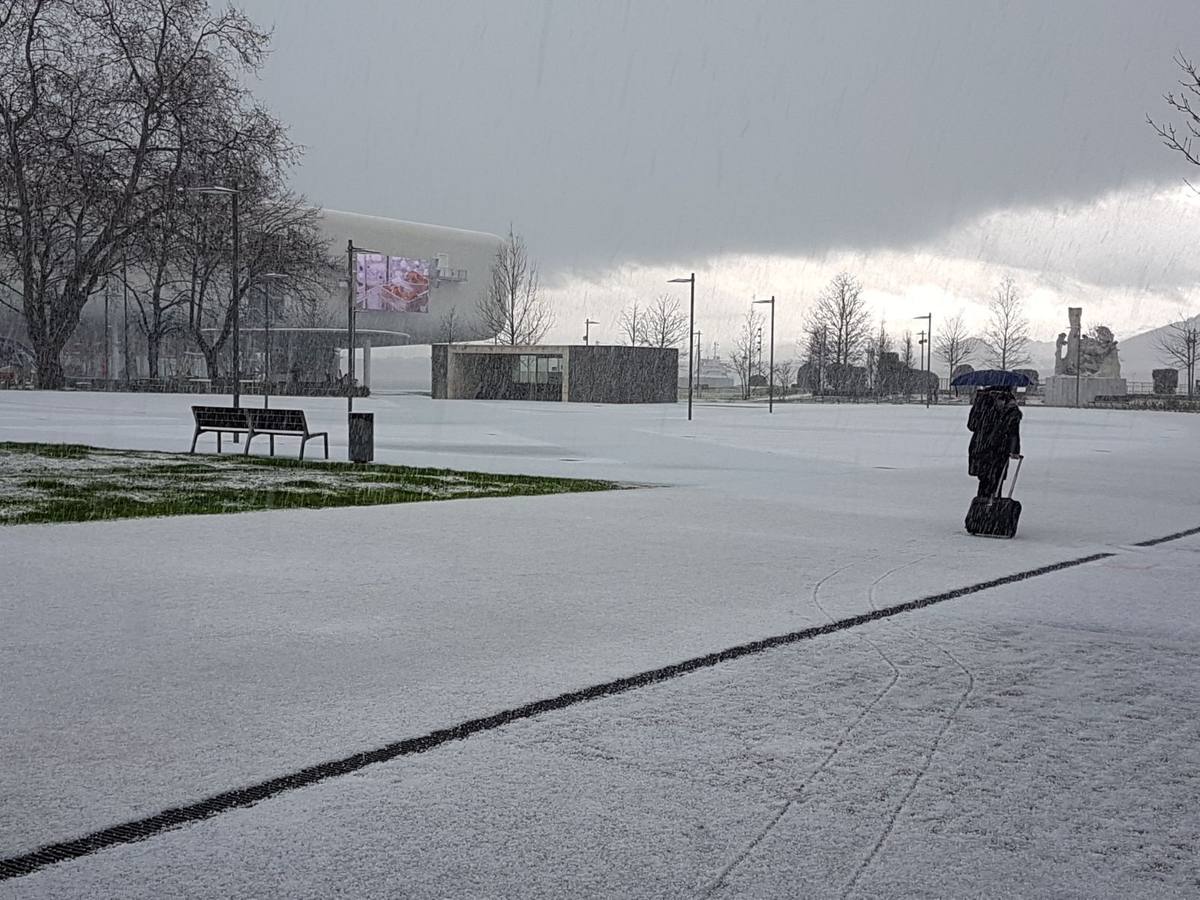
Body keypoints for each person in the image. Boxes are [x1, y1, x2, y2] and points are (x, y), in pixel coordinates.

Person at [968, 386, 1022, 498]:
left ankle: (983, 508)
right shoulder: (1010, 406)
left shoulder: (982, 402)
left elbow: (971, 425)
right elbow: (1013, 432)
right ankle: (991, 507)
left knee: (985, 481)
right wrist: (1014, 450)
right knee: (996, 481)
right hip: (999, 449)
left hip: (981, 447)